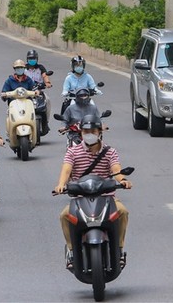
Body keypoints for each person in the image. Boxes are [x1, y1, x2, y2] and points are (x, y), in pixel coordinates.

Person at [54, 115, 131, 269]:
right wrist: (61, 184)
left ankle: (119, 250)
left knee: (122, 211)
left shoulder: (110, 152)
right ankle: (72, 252)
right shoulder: (73, 152)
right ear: (81, 133)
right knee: (64, 216)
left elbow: (116, 169)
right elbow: (66, 170)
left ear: (99, 132)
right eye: (86, 131)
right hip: (80, 199)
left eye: (93, 131)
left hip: (106, 198)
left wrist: (122, 180)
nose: (89, 134)